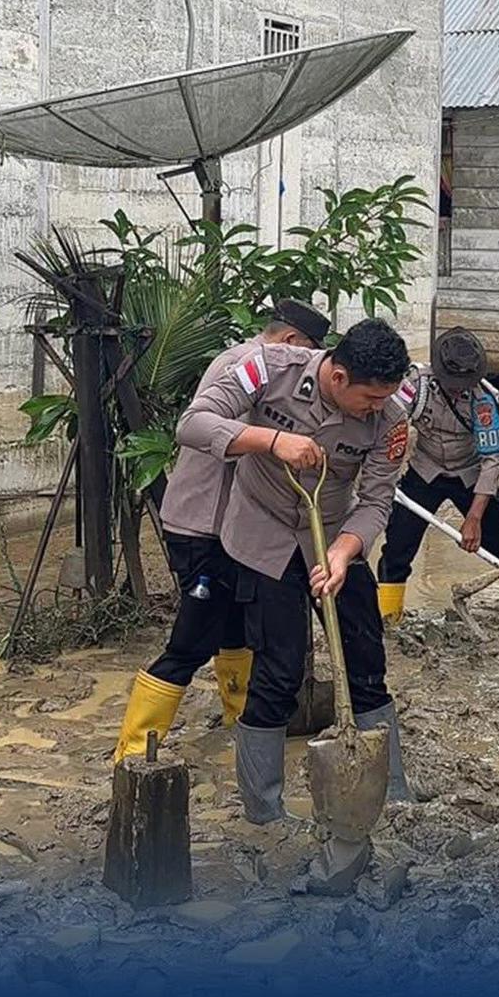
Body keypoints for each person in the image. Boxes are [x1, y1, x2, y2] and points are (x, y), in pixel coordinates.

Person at [176, 317, 413, 819]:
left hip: (330, 533)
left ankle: (391, 796)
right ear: (339, 377)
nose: (378, 409)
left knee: (366, 663)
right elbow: (193, 423)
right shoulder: (266, 369)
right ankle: (265, 813)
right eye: (370, 399)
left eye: (385, 399)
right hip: (262, 536)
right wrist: (268, 440)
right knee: (280, 671)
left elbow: (376, 501)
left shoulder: (391, 417)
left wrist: (345, 552)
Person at [114, 300, 331, 762]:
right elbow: (197, 427)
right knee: (191, 640)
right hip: (205, 526)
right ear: (292, 343)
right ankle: (133, 753)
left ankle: (240, 727)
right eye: (310, 353)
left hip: (236, 530)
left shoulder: (257, 365)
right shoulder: (246, 366)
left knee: (236, 632)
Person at [375, 327, 499, 622]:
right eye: (452, 382)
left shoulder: (485, 399)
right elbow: (387, 425)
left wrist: (474, 518)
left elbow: (492, 461)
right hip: (425, 471)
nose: (457, 388)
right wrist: (382, 474)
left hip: (471, 474)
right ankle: (389, 620)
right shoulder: (415, 384)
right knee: (397, 545)